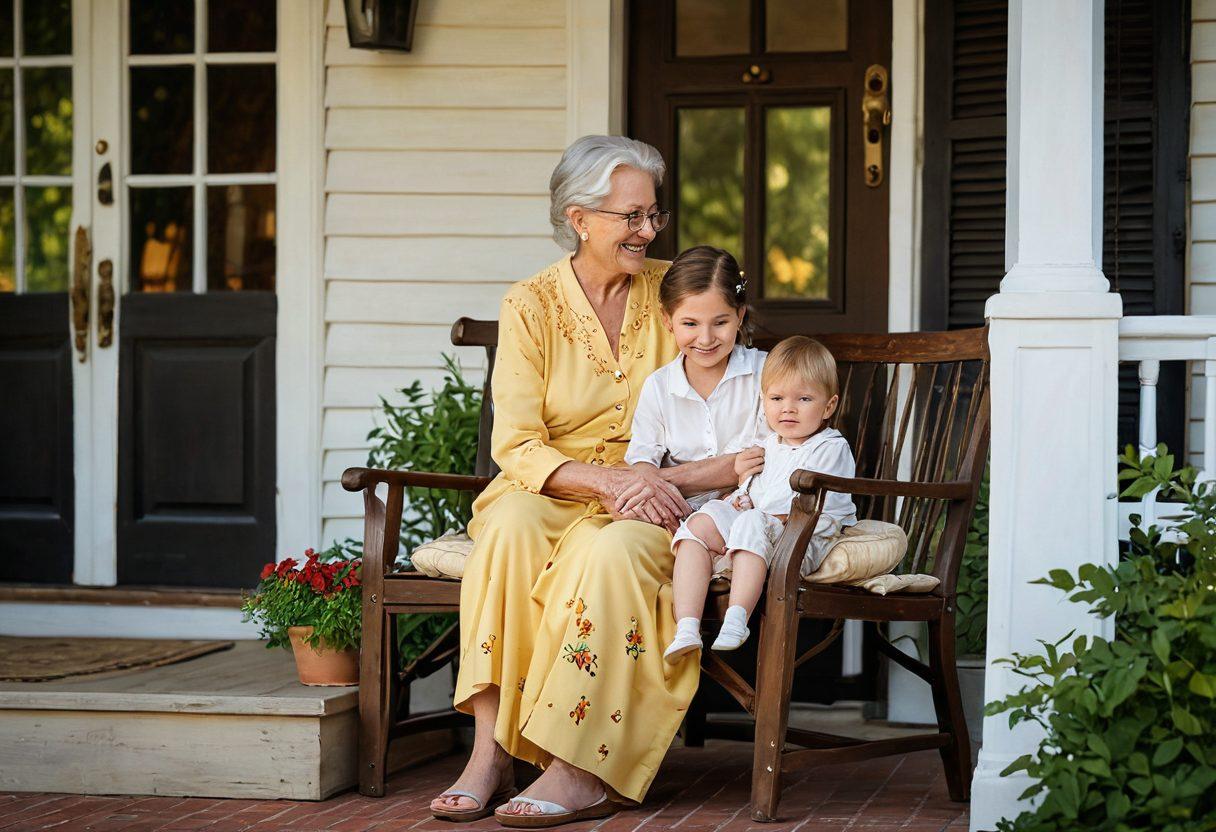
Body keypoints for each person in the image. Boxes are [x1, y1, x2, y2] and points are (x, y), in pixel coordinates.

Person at [428, 136, 739, 828]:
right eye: (631, 217)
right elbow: (515, 443)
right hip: (556, 486)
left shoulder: (674, 293)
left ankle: (578, 765)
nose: (648, 231)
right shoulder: (531, 303)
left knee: (611, 553)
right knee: (505, 530)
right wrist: (601, 480)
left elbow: (733, 401)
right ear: (579, 217)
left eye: (653, 215)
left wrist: (659, 478)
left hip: (656, 493)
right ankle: (490, 753)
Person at [663, 336, 859, 662]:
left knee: (753, 521)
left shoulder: (830, 448)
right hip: (764, 527)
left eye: (804, 399)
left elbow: (820, 508)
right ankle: (686, 626)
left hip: (804, 540)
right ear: (763, 400)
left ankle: (737, 618)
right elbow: (754, 492)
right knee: (703, 519)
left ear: (829, 406)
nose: (788, 408)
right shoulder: (768, 445)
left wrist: (755, 516)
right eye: (777, 397)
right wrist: (740, 500)